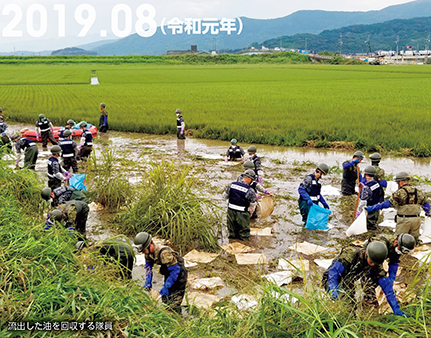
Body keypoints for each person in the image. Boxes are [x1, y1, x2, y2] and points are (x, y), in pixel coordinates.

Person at [323, 241, 408, 317]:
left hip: (350, 279)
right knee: (346, 306)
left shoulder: (376, 263)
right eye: (371, 262)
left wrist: (395, 308)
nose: (372, 265)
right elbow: (332, 275)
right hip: (333, 278)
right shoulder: (350, 254)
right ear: (366, 254)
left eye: (375, 264)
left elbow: (387, 288)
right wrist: (334, 292)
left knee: (355, 304)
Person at [366, 172, 430, 242]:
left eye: (397, 183)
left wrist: (372, 208)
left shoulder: (399, 192)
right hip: (416, 220)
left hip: (404, 220)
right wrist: (428, 212)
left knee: (401, 241)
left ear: (401, 182)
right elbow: (426, 205)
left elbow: (387, 204)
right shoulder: (418, 191)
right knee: (413, 241)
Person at [134, 232, 188, 313]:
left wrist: (167, 285)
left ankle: (179, 322)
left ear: (150, 245)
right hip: (169, 273)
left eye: (144, 250)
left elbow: (175, 270)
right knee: (166, 300)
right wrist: (148, 281)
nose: (143, 253)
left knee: (174, 304)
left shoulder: (164, 253)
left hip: (179, 274)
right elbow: (148, 267)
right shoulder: (148, 253)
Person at [223, 169, 257, 240]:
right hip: (242, 214)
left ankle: (230, 246)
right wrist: (250, 215)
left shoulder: (232, 185)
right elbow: (252, 206)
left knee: (231, 233)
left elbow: (224, 196)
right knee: (244, 235)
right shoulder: (250, 190)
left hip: (230, 212)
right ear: (250, 179)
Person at [356, 165, 383, 231]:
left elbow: (363, 201)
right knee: (373, 222)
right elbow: (381, 195)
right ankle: (374, 227)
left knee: (368, 224)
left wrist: (359, 210)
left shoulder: (366, 187)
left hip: (369, 209)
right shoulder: (377, 184)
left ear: (366, 175)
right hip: (376, 207)